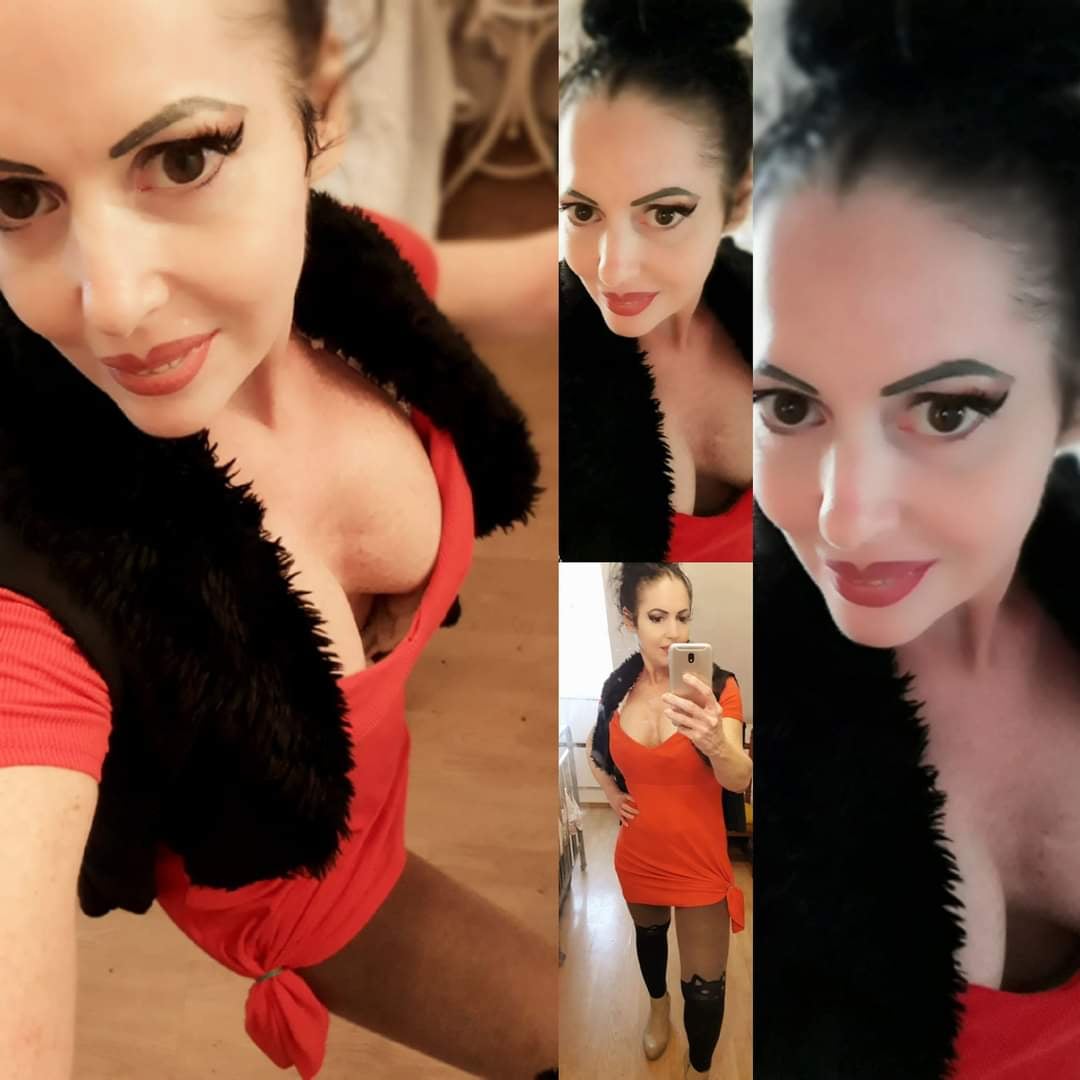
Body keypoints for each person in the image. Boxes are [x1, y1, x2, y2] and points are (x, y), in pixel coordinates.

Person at [0, 2, 555, 1078]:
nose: (113, 306)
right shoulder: (39, 591)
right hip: (326, 906)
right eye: (16, 195)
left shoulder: (346, 275)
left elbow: (539, 280)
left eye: (184, 158)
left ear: (322, 107)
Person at [754, 2, 1080, 1076]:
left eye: (944, 413)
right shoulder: (680, 662)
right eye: (789, 407)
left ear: (1071, 400)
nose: (844, 518)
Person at [558, 0, 753, 562]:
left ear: (738, 200)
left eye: (664, 214)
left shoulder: (795, 323)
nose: (611, 268)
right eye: (582, 211)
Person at [585, 563, 752, 1078]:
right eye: (657, 617)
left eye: (683, 616)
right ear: (629, 619)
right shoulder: (617, 688)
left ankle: (698, 1069)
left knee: (705, 989)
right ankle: (658, 1008)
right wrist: (611, 793)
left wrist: (714, 741)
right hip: (639, 854)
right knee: (650, 938)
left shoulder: (718, 686)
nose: (674, 631)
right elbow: (595, 749)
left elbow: (739, 778)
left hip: (699, 861)